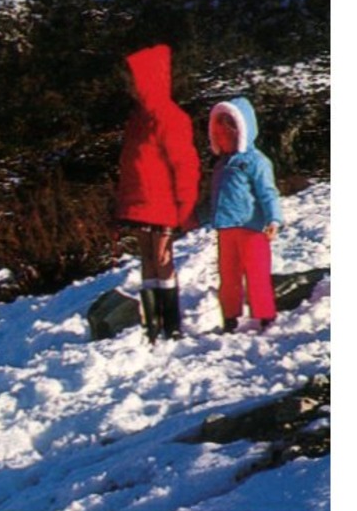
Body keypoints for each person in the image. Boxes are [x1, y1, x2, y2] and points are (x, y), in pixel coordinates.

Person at [115, 44, 201, 342]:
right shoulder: (138, 118)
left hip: (162, 202)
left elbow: (185, 166)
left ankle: (171, 323)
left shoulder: (171, 117)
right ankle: (153, 323)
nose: (132, 88)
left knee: (163, 259)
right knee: (147, 259)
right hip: (140, 202)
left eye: (136, 81)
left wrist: (184, 207)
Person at [205, 97, 283, 332]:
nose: (222, 139)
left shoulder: (255, 161)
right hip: (226, 228)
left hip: (252, 228)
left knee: (256, 273)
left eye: (227, 134)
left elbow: (268, 192)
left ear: (242, 132)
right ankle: (230, 317)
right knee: (228, 276)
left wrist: (273, 219)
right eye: (217, 135)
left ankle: (265, 315)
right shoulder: (221, 164)